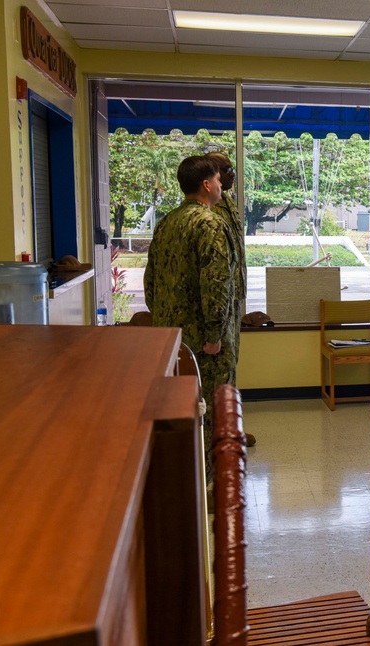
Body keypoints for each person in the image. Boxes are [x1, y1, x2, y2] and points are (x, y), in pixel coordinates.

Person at [144, 155, 236, 482]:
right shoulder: (209, 224)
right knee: (209, 412)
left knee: (180, 410)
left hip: (172, 341)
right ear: (207, 184)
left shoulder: (168, 222)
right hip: (203, 345)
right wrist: (214, 336)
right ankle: (208, 485)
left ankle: (184, 477)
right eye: (218, 178)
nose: (223, 183)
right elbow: (216, 285)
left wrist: (164, 326)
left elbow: (150, 283)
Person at [205, 152, 255, 447]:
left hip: (232, 301)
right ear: (211, 177)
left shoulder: (227, 203)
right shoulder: (208, 212)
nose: (232, 174)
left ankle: (231, 428)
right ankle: (220, 436)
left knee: (230, 367)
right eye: (226, 170)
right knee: (219, 371)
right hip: (218, 302)